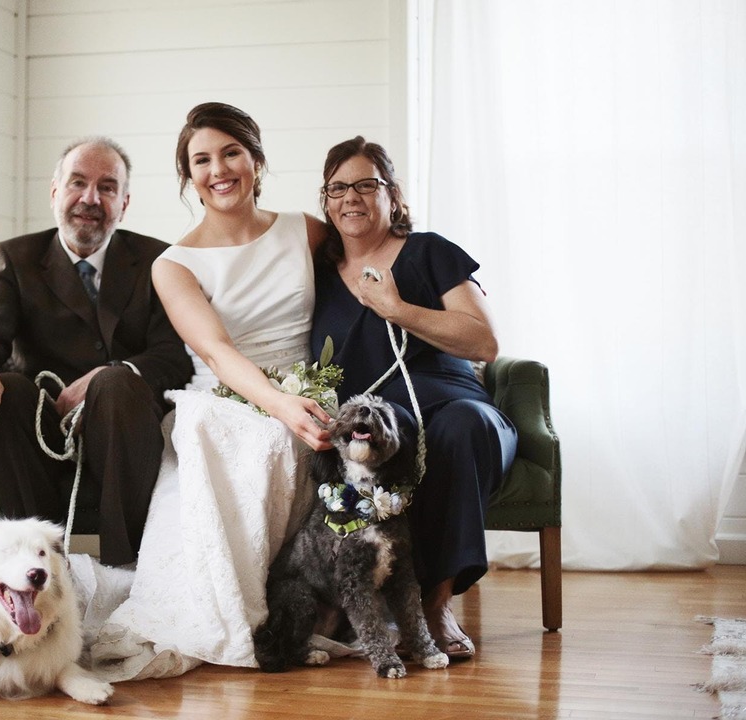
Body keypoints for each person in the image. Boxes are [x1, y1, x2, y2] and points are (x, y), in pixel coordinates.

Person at [80, 102, 331, 680]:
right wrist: (280, 406)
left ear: (256, 160)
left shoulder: (306, 231)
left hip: (310, 387)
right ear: (187, 176)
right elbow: (216, 351)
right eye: (201, 160)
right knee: (242, 436)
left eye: (231, 152)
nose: (218, 169)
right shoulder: (174, 264)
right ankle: (232, 611)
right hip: (232, 397)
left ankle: (306, 603)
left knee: (290, 440)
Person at [309, 136, 518, 660]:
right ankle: (356, 604)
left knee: (459, 427)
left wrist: (397, 309)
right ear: (326, 201)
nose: (351, 197)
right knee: (379, 435)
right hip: (378, 416)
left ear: (393, 195)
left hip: (455, 406)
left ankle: (436, 604)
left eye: (366, 184)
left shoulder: (429, 252)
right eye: (337, 188)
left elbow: (484, 342)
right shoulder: (316, 274)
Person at [0, 137, 193, 567]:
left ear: (124, 203)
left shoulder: (158, 259)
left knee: (116, 382)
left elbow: (173, 354)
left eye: (107, 187)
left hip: (122, 421)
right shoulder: (16, 258)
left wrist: (108, 374)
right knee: (4, 390)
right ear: (55, 192)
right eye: (77, 183)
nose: (90, 198)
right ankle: (40, 561)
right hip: (42, 424)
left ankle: (119, 567)